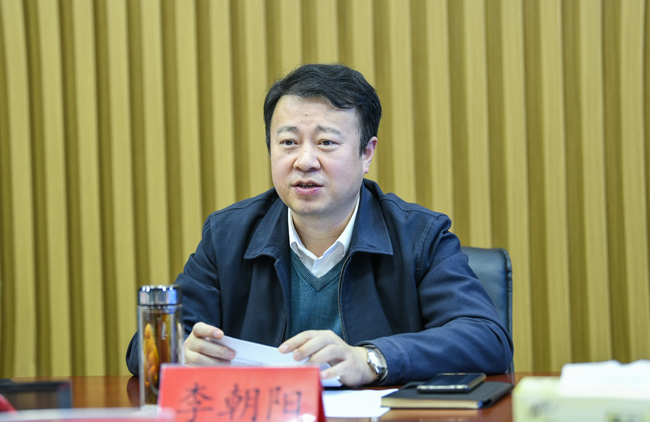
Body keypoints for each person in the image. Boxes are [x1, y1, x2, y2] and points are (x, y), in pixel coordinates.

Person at [126, 63, 513, 387]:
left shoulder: (419, 237)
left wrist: (370, 359)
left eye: (326, 142)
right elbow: (143, 347)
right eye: (288, 143)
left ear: (367, 153)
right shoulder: (227, 236)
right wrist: (180, 351)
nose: (305, 161)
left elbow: (487, 338)